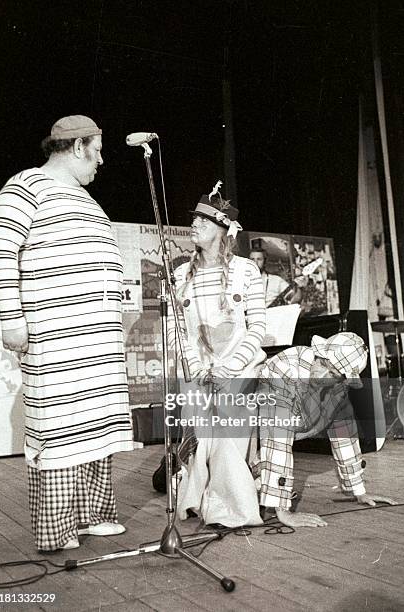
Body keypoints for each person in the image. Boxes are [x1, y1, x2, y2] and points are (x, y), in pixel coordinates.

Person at [0, 115, 133, 551]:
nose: (102, 160)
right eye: (99, 149)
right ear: (77, 146)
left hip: (97, 343)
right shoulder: (25, 186)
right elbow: (0, 253)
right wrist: (12, 321)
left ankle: (93, 515)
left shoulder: (87, 200)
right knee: (60, 427)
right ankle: (57, 529)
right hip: (57, 339)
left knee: (96, 426)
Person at [167, 184, 267, 528]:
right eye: (194, 219)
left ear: (224, 231)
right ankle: (197, 499)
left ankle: (231, 507)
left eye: (204, 221)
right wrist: (196, 368)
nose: (194, 225)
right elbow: (178, 332)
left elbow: (257, 328)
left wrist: (229, 368)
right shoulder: (180, 276)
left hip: (237, 369)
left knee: (228, 440)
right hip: (199, 372)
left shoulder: (246, 271)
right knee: (202, 437)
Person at [251, 332, 397, 528]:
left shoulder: (338, 387)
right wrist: (283, 512)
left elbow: (345, 436)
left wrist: (359, 490)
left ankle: (258, 480)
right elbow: (276, 438)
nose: (321, 376)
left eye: (334, 374)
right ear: (318, 353)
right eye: (323, 364)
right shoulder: (284, 369)